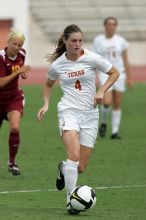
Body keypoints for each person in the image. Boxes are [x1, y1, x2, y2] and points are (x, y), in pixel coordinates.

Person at [37, 24, 119, 215]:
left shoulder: (92, 58)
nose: (77, 44)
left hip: (90, 115)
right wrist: (46, 103)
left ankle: (63, 169)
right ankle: (70, 202)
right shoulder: (58, 64)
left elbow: (114, 73)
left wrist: (101, 90)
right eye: (73, 40)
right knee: (73, 155)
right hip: (68, 111)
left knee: (79, 166)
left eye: (80, 40)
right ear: (65, 40)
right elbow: (48, 84)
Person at [93, 17, 133, 139]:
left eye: (113, 24)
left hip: (120, 74)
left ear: (116, 26)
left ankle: (115, 132)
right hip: (105, 74)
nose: (111, 26)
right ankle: (104, 122)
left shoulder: (121, 41)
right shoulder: (98, 40)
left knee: (117, 103)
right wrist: (95, 76)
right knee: (106, 102)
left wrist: (129, 77)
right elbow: (94, 59)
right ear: (105, 26)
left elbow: (125, 59)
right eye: (109, 24)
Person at [0, 29, 31, 175]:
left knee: (15, 128)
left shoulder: (22, 54)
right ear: (8, 42)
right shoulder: (1, 57)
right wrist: (18, 72)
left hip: (14, 98)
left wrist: (23, 73)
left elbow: (21, 70)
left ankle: (12, 163)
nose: (17, 47)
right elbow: (1, 83)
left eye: (19, 45)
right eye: (14, 44)